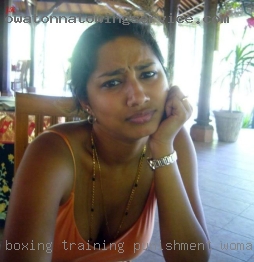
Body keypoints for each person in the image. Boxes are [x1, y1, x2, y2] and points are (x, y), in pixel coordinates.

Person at [0, 20, 210, 262]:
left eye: (148, 73)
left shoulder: (173, 141)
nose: (138, 96)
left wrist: (162, 150)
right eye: (112, 82)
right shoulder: (52, 153)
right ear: (86, 101)